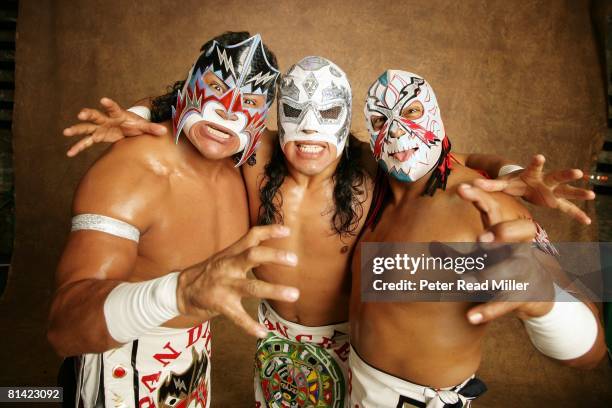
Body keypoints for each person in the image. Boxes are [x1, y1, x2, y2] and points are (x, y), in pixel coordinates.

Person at [62, 58, 596, 407]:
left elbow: (444, 158)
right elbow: (214, 108)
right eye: (295, 111)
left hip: (347, 345)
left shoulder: (373, 167)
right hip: (272, 341)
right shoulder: (254, 154)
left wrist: (505, 176)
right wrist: (140, 112)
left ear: (347, 125)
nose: (310, 127)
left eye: (328, 113)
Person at [47, 32, 302, 408]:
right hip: (120, 361)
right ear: (191, 84)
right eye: (216, 87)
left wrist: (143, 109)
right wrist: (175, 293)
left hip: (194, 361)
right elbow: (64, 328)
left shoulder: (243, 162)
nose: (230, 110)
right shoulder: (133, 171)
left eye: (249, 100)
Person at [348, 70, 607, 407]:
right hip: (352, 382)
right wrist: (508, 170)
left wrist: (544, 299)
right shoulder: (376, 175)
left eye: (411, 111)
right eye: (381, 119)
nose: (396, 129)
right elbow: (458, 156)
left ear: (435, 115)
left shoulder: (485, 204)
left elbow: (592, 353)